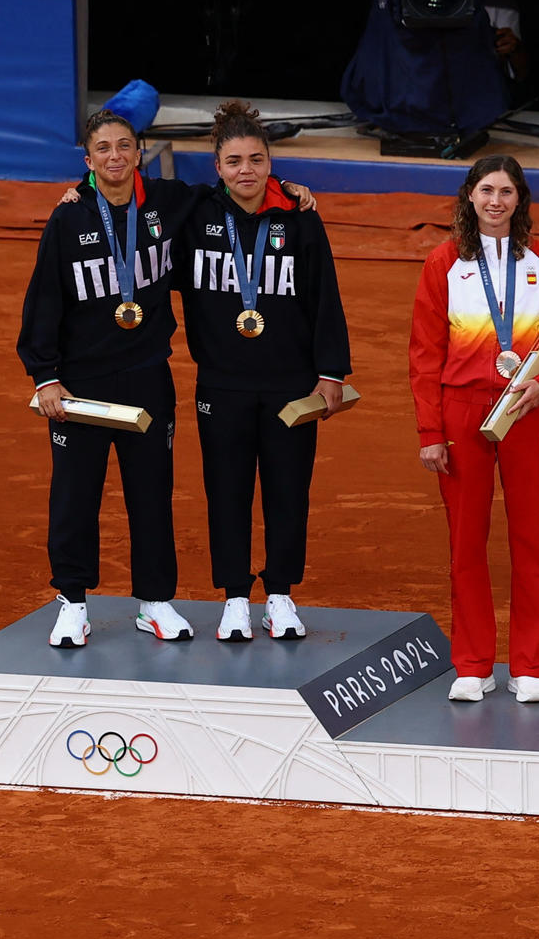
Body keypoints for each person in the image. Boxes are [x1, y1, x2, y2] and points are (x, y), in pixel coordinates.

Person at [172, 101, 351, 641]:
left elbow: (325, 299)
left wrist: (331, 373)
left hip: (290, 385)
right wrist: (80, 191)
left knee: (288, 491)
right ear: (216, 166)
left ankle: (279, 595)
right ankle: (232, 598)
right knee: (225, 490)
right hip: (221, 384)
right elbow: (134, 203)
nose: (245, 170)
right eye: (233, 161)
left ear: (272, 162)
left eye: (256, 159)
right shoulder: (195, 214)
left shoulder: (300, 220)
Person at [412, 153, 539, 703]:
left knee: (531, 538)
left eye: (506, 192)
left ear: (519, 200)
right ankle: (473, 663)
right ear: (469, 196)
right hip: (463, 412)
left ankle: (530, 666)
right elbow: (424, 355)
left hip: (528, 410)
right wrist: (430, 432)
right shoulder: (443, 264)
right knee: (467, 542)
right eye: (486, 190)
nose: (495, 201)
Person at [20, 111, 194, 647]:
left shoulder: (168, 202)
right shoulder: (67, 220)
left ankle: (155, 602)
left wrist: (288, 189)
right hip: (80, 386)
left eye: (124, 146)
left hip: (146, 378)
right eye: (103, 149)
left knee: (151, 493)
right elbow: (43, 303)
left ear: (139, 152)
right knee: (74, 497)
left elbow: (235, 194)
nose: (114, 156)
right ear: (88, 160)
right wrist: (45, 378)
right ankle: (72, 602)